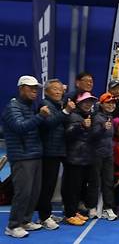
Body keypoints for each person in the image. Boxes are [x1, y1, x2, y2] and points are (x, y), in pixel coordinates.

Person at [2, 76, 49, 238]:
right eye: (31, 88)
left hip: (34, 154)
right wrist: (40, 116)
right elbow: (20, 127)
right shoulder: (12, 107)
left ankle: (25, 221)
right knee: (23, 192)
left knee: (33, 192)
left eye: (36, 88)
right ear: (21, 88)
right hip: (22, 157)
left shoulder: (29, 106)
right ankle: (13, 225)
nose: (35, 91)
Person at [37, 79, 75, 230]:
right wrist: (66, 111)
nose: (59, 91)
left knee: (51, 185)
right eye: (55, 89)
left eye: (61, 89)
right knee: (47, 185)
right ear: (46, 91)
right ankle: (44, 217)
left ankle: (47, 214)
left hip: (57, 150)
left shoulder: (56, 104)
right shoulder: (44, 105)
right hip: (48, 152)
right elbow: (49, 123)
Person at [63, 92, 98, 226]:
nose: (88, 104)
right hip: (74, 159)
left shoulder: (87, 116)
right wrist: (81, 126)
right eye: (85, 101)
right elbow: (68, 134)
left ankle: (74, 211)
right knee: (72, 189)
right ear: (79, 103)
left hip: (84, 159)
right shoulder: (74, 116)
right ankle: (69, 214)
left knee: (78, 188)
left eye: (90, 101)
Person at [88, 93, 118, 221]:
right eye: (108, 103)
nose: (111, 105)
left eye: (113, 103)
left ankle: (108, 208)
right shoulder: (96, 117)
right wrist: (102, 129)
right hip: (96, 155)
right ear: (101, 104)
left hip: (108, 155)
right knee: (95, 182)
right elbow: (92, 135)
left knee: (108, 182)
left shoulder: (110, 117)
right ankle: (92, 207)